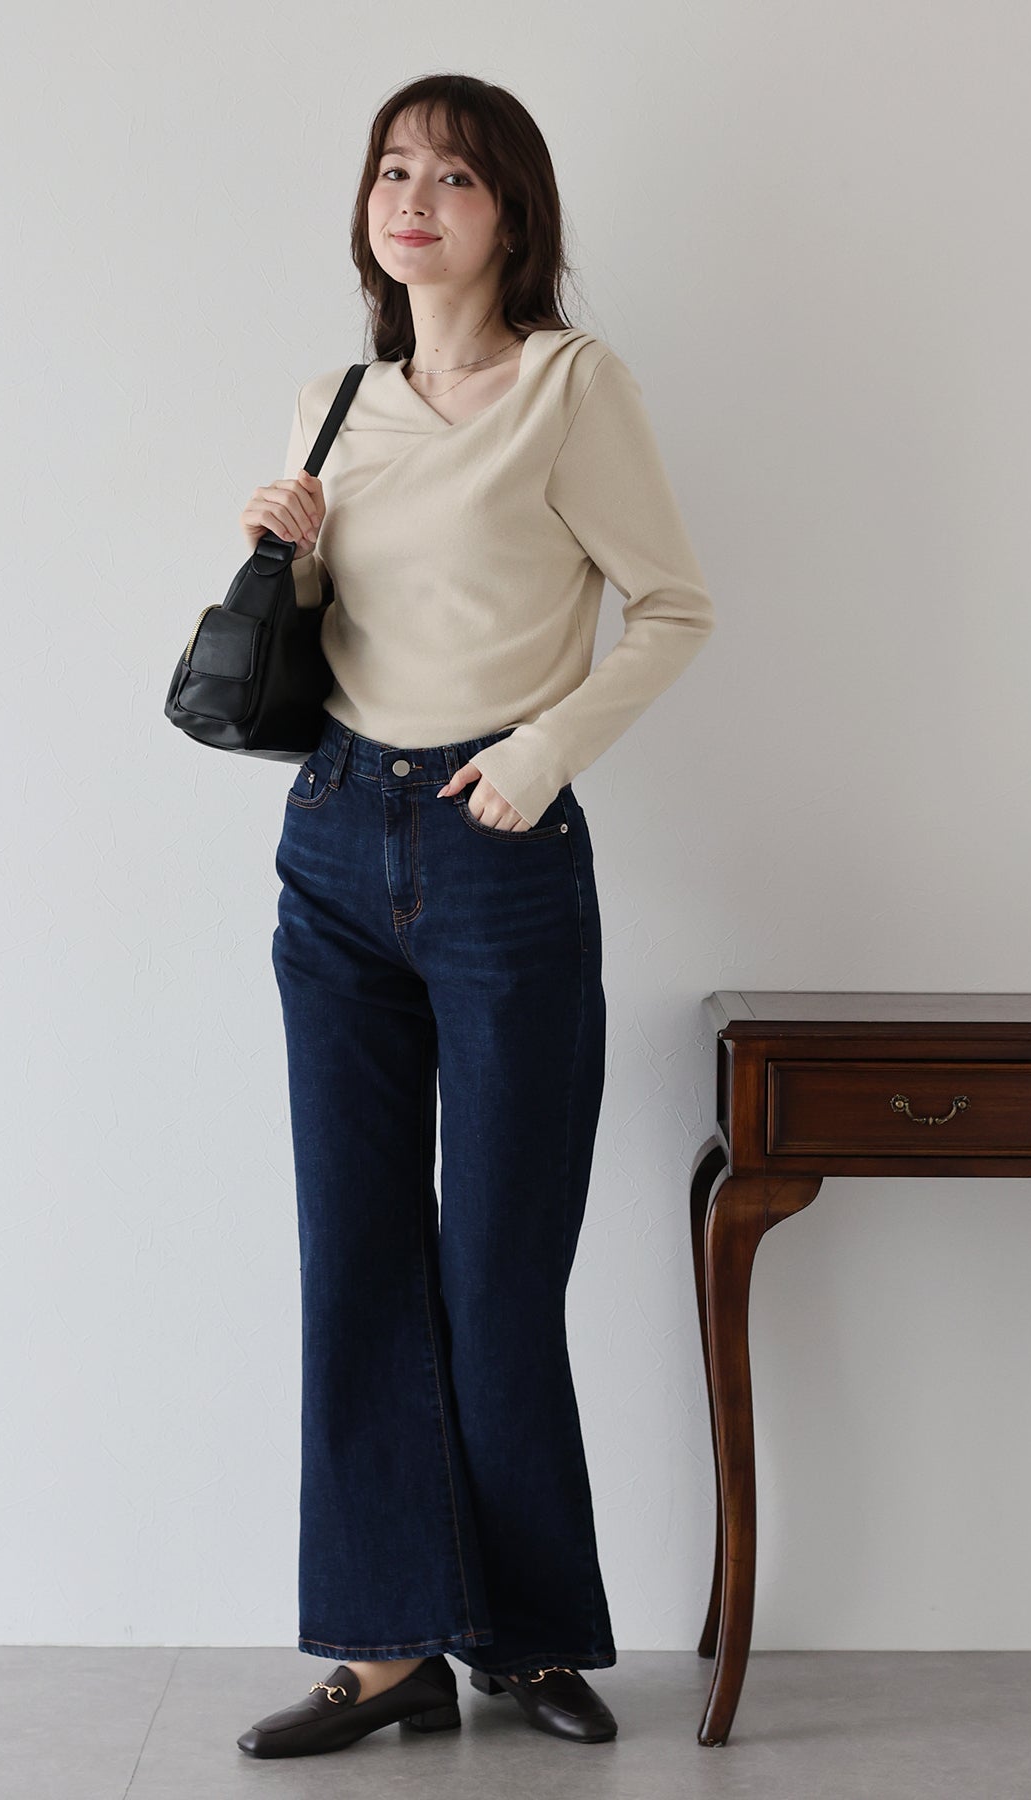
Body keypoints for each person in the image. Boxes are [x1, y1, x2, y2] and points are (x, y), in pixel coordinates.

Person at [234, 73, 716, 1761]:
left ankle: (522, 1638)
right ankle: (384, 1654)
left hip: (502, 849)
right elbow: (328, 637)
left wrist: (539, 753)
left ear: (512, 211)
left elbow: (673, 608)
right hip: (332, 844)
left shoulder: (573, 388)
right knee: (356, 1256)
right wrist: (289, 554)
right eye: (392, 170)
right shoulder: (334, 403)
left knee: (500, 1266)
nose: (413, 198)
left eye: (450, 174)